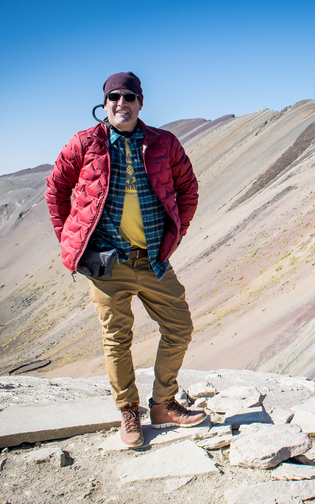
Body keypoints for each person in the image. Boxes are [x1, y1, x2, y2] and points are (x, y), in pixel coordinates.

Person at [45, 71, 205, 448]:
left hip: (152, 260)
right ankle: (129, 412)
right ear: (104, 104)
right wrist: (73, 241)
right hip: (106, 263)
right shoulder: (85, 143)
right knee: (116, 339)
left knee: (179, 327)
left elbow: (188, 188)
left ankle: (163, 403)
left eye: (129, 97)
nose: (122, 103)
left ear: (140, 103)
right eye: (114, 97)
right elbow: (56, 190)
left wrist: (174, 236)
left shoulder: (163, 143)